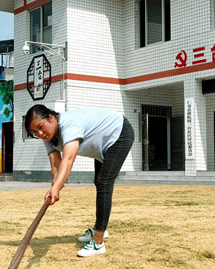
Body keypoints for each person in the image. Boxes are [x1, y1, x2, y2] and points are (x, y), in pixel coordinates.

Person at [23, 104, 134, 258]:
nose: (40, 133)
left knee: (104, 182)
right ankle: (98, 227)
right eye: (35, 132)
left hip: (119, 133)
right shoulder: (47, 136)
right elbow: (55, 164)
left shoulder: (69, 124)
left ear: (51, 117)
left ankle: (98, 242)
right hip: (102, 145)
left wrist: (56, 187)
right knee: (99, 182)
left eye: (40, 127)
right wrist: (55, 186)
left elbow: (68, 159)